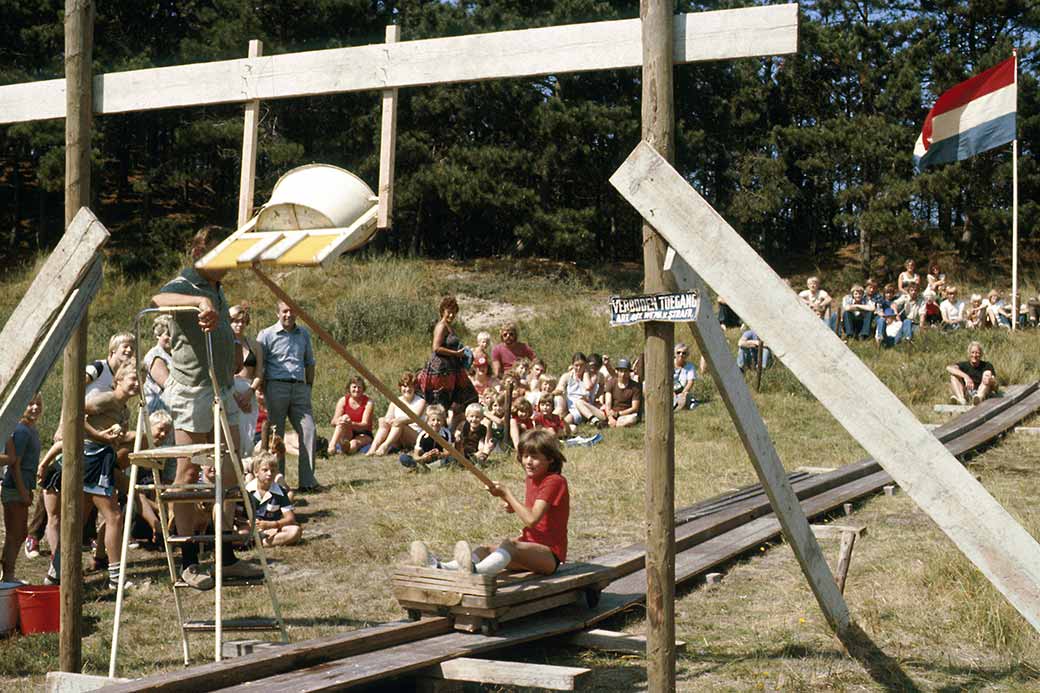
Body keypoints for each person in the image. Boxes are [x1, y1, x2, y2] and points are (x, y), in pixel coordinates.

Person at [152, 226, 258, 590]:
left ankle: (225, 556)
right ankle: (188, 560)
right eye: (222, 255)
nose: (228, 263)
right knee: (188, 472)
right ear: (204, 254)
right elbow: (158, 299)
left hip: (222, 388)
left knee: (229, 471)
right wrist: (198, 303)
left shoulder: (217, 285)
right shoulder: (187, 283)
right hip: (194, 391)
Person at [409, 429, 568, 576]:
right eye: (525, 456)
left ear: (550, 458)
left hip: (549, 555)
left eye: (534, 457)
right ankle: (440, 568)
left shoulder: (554, 481)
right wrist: (511, 504)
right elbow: (536, 511)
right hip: (529, 547)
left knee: (509, 545)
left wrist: (508, 494)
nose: (528, 462)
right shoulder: (533, 478)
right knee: (484, 550)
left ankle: (476, 571)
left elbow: (532, 519)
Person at [257, 301, 318, 490]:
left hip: (300, 388)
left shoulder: (304, 334)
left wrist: (308, 387)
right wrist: (263, 390)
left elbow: (309, 362)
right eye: (284, 311)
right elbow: (261, 366)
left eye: (292, 311)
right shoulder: (266, 335)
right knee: (277, 435)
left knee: (309, 430)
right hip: (276, 387)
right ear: (277, 313)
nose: (288, 315)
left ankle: (307, 482)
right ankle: (277, 482)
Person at [416, 296, 478, 429]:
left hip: (451, 369)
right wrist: (456, 354)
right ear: (442, 311)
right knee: (440, 404)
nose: (451, 314)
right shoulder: (441, 326)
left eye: (454, 312)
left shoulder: (449, 327)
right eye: (448, 311)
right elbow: (436, 348)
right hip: (440, 371)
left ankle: (452, 430)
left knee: (467, 397)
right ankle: (439, 435)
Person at [0, 394, 42, 583]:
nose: (34, 407)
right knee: (14, 534)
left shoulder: (31, 429)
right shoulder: (21, 431)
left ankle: (9, 573)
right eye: (30, 403)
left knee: (20, 533)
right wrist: (23, 490)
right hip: (15, 488)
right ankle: (8, 575)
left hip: (24, 487)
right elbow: (14, 463)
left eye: (38, 404)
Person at [229, 304, 264, 461]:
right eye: (235, 321)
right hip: (230, 390)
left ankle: (247, 469)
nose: (239, 325)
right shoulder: (224, 344)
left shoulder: (254, 345)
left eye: (243, 321)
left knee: (248, 433)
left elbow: (259, 373)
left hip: (249, 391)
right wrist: (235, 395)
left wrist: (250, 393)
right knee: (233, 431)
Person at [246, 452, 301, 547]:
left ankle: (258, 543)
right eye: (265, 470)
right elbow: (236, 516)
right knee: (239, 531)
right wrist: (248, 522)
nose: (269, 474)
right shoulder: (247, 490)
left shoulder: (280, 492)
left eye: (273, 471)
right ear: (256, 472)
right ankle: (260, 541)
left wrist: (271, 524)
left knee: (295, 531)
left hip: (272, 528)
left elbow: (290, 518)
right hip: (249, 527)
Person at [368, 372, 427, 456]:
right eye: (404, 386)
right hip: (397, 434)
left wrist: (398, 420)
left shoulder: (421, 401)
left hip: (415, 436)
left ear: (414, 387)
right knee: (383, 421)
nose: (407, 389)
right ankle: (372, 449)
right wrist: (386, 420)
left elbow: (413, 418)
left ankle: (385, 446)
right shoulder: (395, 401)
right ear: (400, 387)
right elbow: (388, 416)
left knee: (400, 423)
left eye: (410, 386)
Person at [556, 353, 604, 431]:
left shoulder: (594, 376)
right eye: (576, 365)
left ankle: (594, 420)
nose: (579, 368)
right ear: (572, 365)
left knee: (577, 406)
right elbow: (559, 387)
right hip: (572, 409)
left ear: (585, 365)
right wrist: (560, 391)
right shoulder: (567, 376)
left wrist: (598, 396)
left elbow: (600, 385)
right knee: (561, 419)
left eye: (581, 365)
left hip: (586, 407)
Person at [328, 376, 374, 455]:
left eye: (359, 387)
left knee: (353, 444)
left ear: (363, 389)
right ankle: (332, 446)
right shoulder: (343, 400)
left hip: (363, 433)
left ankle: (343, 449)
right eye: (354, 387)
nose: (356, 390)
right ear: (349, 388)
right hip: (347, 431)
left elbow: (365, 425)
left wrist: (350, 423)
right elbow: (333, 422)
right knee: (343, 418)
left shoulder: (368, 402)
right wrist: (341, 421)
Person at [399, 405, 453, 471]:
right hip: (425, 460)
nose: (435, 423)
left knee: (452, 458)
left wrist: (440, 454)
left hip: (439, 459)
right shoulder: (423, 435)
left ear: (443, 421)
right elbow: (416, 456)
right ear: (428, 421)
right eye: (433, 420)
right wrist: (423, 457)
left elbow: (448, 452)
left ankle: (426, 469)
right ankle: (427, 467)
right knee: (403, 458)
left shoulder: (446, 433)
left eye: (438, 420)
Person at [86, 333, 136, 400]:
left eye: (132, 348)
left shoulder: (122, 377)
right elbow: (77, 385)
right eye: (125, 346)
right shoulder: (99, 366)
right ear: (114, 349)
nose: (129, 350)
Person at [142, 316, 173, 413]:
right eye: (167, 334)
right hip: (157, 410)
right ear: (158, 336)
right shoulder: (155, 356)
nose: (171, 338)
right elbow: (169, 385)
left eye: (173, 334)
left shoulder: (173, 354)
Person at [602, 358, 641, 428]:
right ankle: (611, 422)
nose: (623, 374)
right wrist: (610, 417)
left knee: (632, 418)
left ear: (629, 372)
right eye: (621, 371)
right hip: (610, 413)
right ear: (617, 371)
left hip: (626, 415)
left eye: (625, 371)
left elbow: (635, 408)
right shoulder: (611, 382)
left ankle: (610, 424)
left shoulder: (635, 387)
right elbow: (608, 403)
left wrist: (619, 414)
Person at [673, 343, 698, 410]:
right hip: (670, 391)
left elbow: (690, 382)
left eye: (684, 353)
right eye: (678, 352)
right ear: (675, 354)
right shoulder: (669, 363)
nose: (681, 355)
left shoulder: (690, 367)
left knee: (685, 396)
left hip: (682, 391)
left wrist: (683, 393)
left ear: (687, 355)